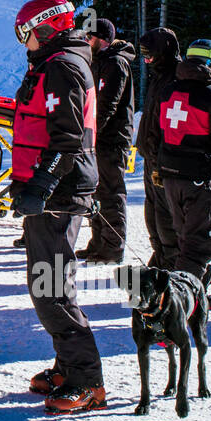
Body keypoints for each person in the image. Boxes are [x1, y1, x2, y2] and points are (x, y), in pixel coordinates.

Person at [7, 0, 104, 415]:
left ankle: (87, 381)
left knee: (51, 289)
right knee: (48, 283)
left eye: (24, 34)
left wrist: (40, 187)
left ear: (44, 28)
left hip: (59, 194)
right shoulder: (53, 64)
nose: (23, 43)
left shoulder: (62, 66)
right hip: (53, 192)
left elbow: (67, 139)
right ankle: (67, 366)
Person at [143, 38, 211, 307]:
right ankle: (181, 301)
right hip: (198, 179)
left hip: (168, 176)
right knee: (200, 242)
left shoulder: (168, 91)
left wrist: (156, 167)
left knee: (181, 236)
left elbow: (154, 134)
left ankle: (188, 290)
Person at [79, 18, 135, 264]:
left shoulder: (116, 63)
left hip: (112, 140)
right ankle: (97, 242)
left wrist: (89, 133)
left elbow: (106, 105)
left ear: (100, 39)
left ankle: (113, 247)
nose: (85, 41)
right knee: (95, 191)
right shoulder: (98, 62)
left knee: (111, 193)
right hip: (97, 139)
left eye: (88, 37)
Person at [135, 27, 181, 270]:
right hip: (151, 157)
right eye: (143, 54)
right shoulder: (159, 75)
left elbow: (171, 123)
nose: (146, 59)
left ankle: (173, 263)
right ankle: (160, 256)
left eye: (149, 53)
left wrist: (161, 155)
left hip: (164, 159)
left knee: (166, 217)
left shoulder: (177, 78)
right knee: (152, 213)